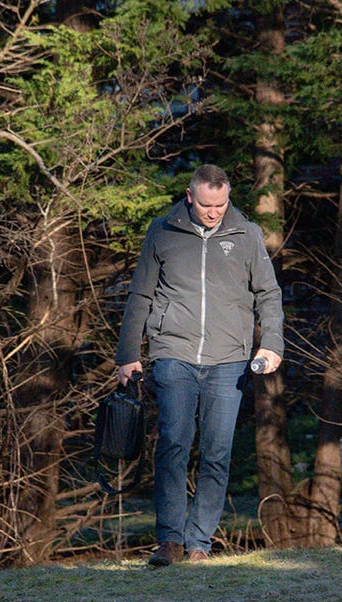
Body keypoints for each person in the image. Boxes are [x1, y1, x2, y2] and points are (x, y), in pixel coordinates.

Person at [116, 164, 284, 566]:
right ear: (190, 197)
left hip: (230, 359)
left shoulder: (247, 234)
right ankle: (170, 541)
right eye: (207, 205)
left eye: (221, 204)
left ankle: (199, 544)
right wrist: (127, 355)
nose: (214, 212)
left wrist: (273, 344)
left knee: (216, 451)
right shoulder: (163, 231)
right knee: (173, 443)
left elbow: (269, 294)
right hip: (173, 352)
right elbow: (140, 294)